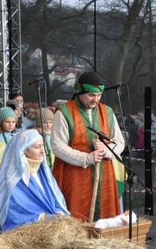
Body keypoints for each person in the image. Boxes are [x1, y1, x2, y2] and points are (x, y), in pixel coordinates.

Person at [52, 71, 125, 221]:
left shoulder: (107, 112)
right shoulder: (65, 112)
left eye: (99, 95)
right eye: (91, 95)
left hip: (104, 175)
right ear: (80, 91)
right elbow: (57, 146)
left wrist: (106, 150)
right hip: (74, 175)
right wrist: (86, 158)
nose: (96, 99)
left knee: (105, 216)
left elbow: (119, 141)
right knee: (75, 214)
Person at [0, 130, 69, 232]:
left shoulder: (43, 172)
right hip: (26, 234)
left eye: (43, 146)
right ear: (23, 150)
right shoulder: (12, 179)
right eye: (37, 147)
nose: (43, 150)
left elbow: (56, 199)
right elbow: (14, 213)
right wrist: (44, 218)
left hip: (49, 230)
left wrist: (58, 211)